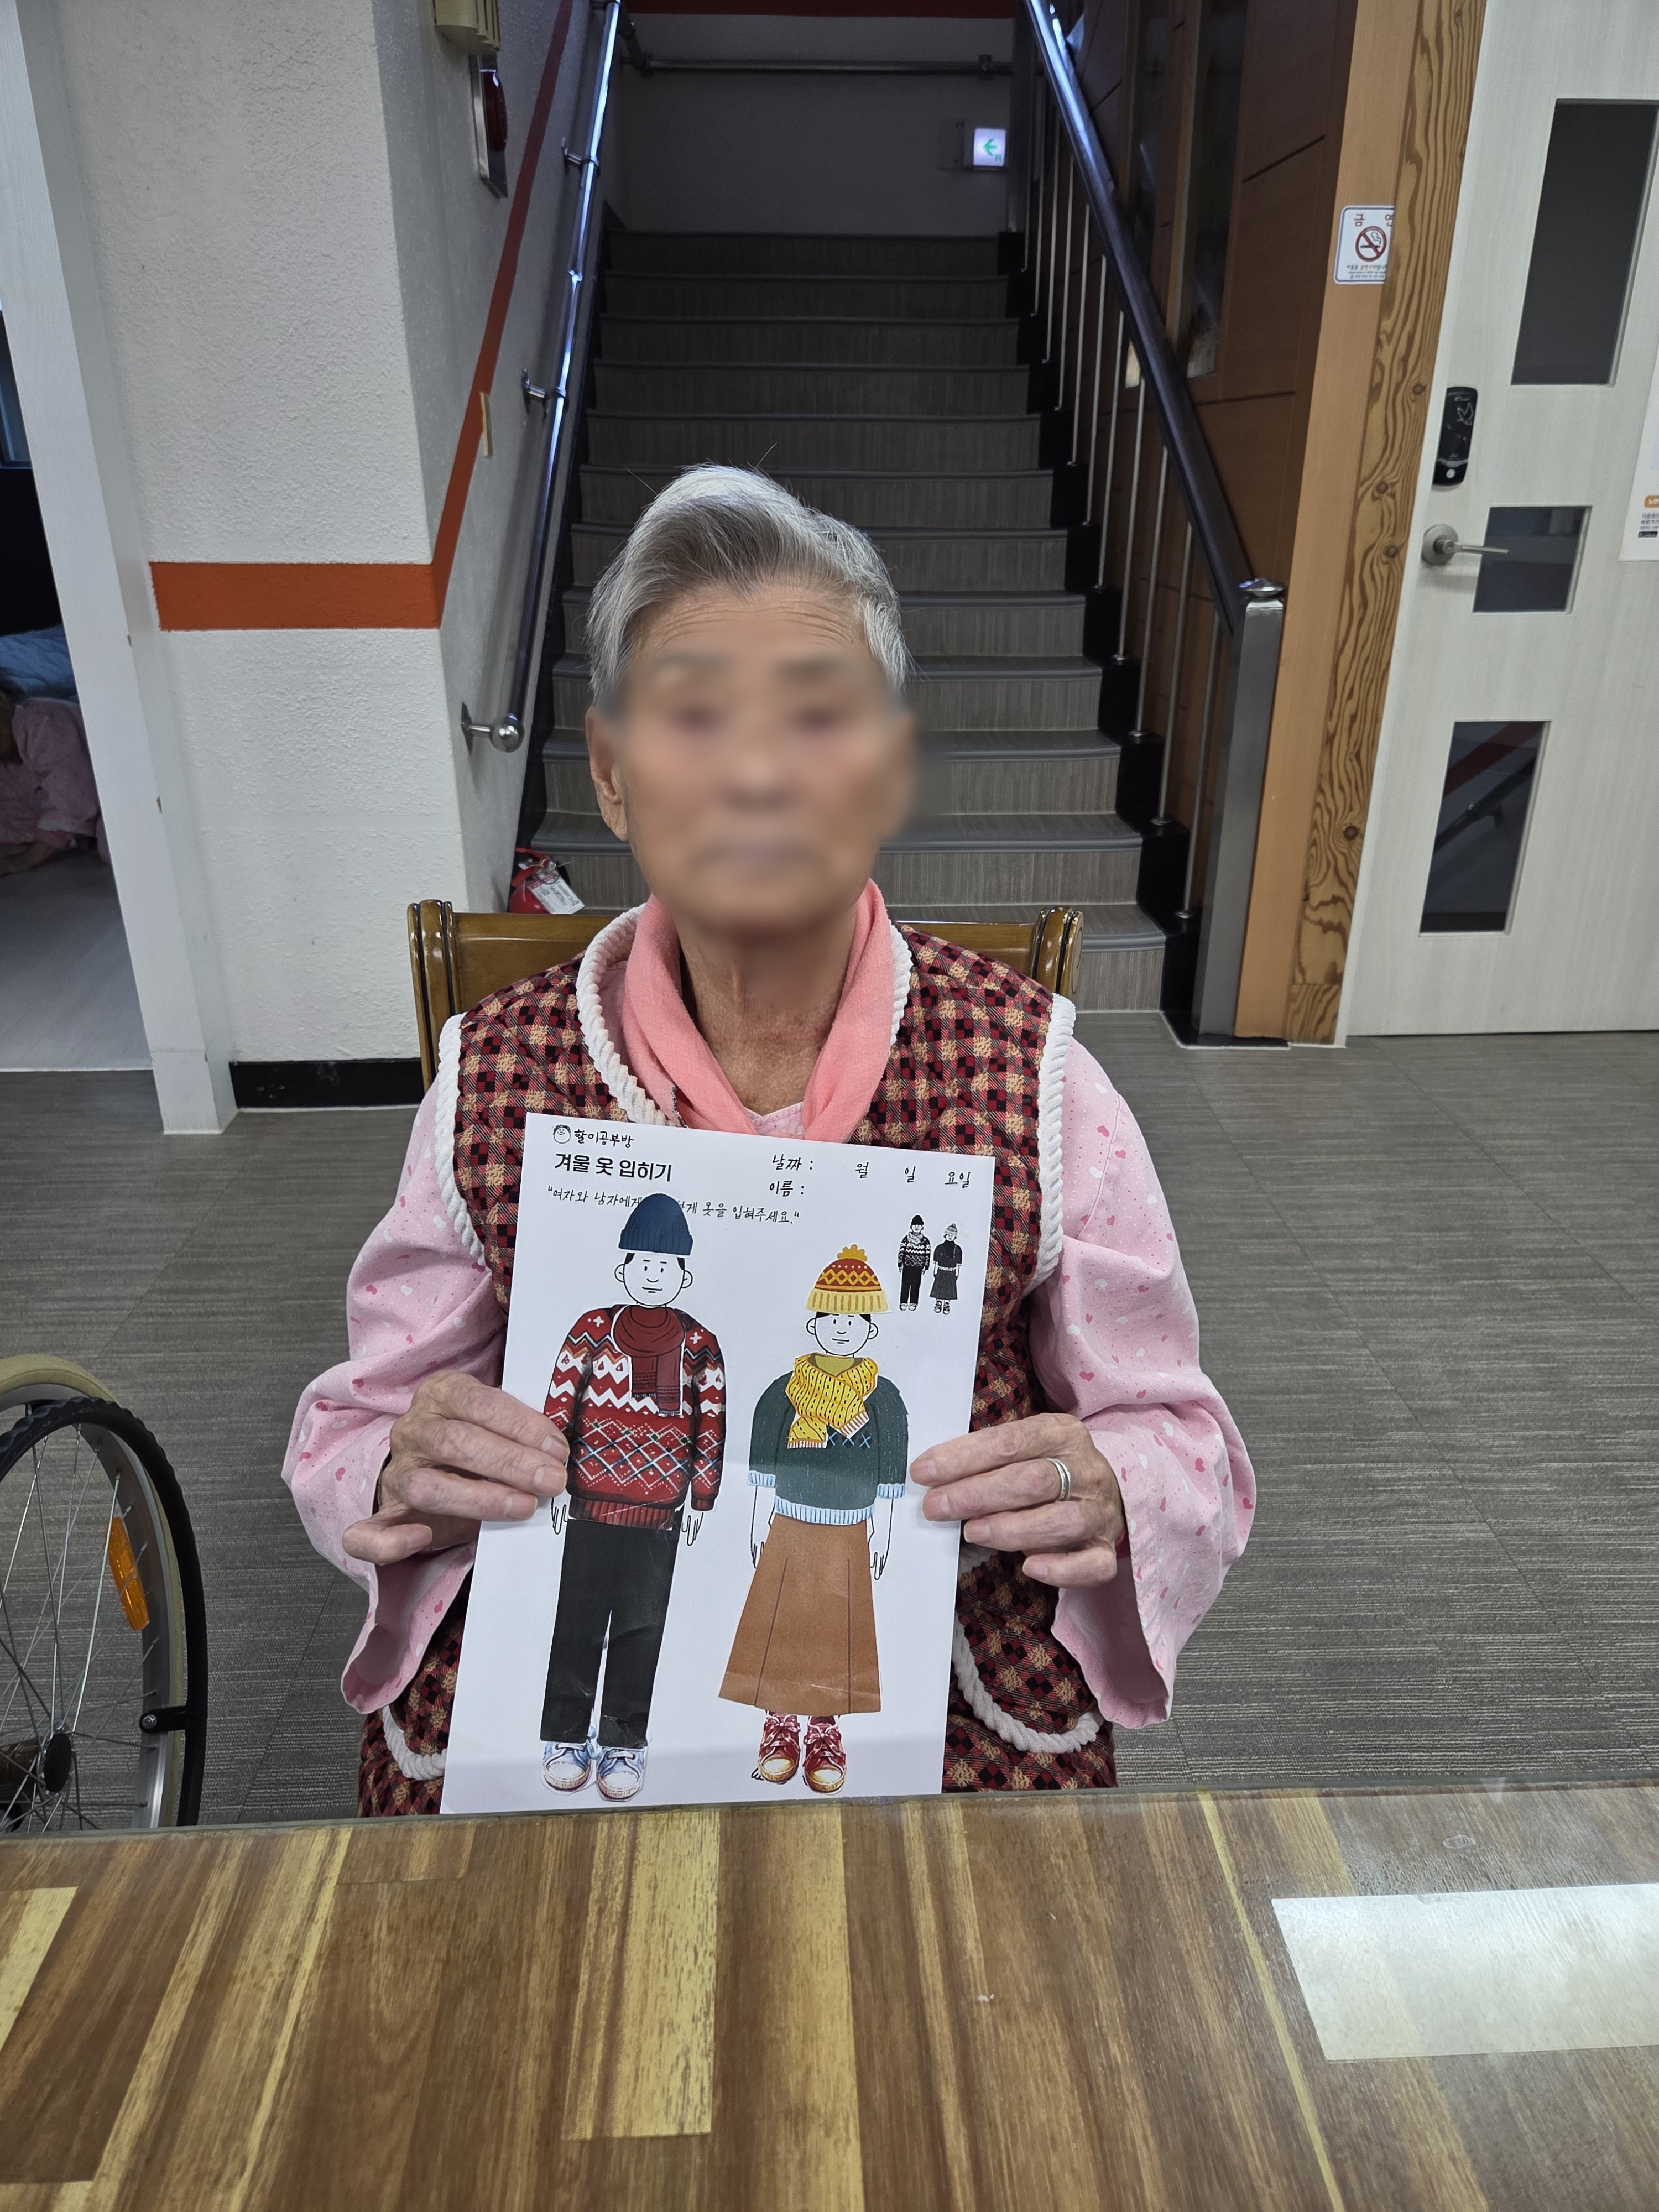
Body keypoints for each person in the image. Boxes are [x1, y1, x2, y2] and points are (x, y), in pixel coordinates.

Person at [282, 464, 1256, 1813]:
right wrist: (405, 1463)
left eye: (816, 717)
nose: (753, 773)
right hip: (577, 1644)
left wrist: (1108, 1482)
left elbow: (1182, 1436)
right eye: (693, 717)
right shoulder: (494, 1071)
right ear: (612, 776)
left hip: (936, 1681)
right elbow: (353, 1424)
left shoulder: (1038, 1075)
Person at [537, 1192, 725, 1802]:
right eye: (642, 1262)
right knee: (577, 1620)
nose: (652, 1273)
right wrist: (552, 1479)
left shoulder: (700, 1344)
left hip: (660, 1513)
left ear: (684, 1275)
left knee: (642, 1629)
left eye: (665, 1265)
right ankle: (564, 1734)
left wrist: (702, 1497)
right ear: (623, 1268)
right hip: (589, 1501)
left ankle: (623, 1741)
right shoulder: (592, 1330)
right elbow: (560, 1404)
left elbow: (712, 1421)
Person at [720, 1245, 906, 1793]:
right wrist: (757, 1521)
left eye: (854, 1319)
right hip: (789, 1521)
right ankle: (779, 1725)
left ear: (870, 1329)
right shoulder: (784, 1392)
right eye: (831, 1317)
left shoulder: (883, 1398)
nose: (842, 1328)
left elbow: (892, 1465)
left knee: (835, 1627)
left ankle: (824, 1729)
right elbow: (760, 1461)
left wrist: (885, 1529)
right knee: (783, 1621)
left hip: (851, 1527)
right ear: (814, 1323)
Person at [0, 681, 102, 876]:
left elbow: (73, 795)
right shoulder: (7, 763)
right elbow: (15, 817)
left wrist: (30, 858)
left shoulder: (43, 720)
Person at [896, 1216, 931, 1310]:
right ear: (911, 1227)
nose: (917, 1227)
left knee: (916, 1285)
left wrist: (926, 1266)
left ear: (922, 1227)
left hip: (919, 1267)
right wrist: (900, 1263)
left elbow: (928, 1254)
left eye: (919, 1225)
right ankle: (903, 1302)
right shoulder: (906, 1239)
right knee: (905, 1285)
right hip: (907, 1265)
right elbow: (902, 1251)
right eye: (915, 1225)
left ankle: (913, 1303)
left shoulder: (925, 1241)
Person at [930, 1224, 963, 1316]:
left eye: (952, 1235)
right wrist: (935, 1272)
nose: (950, 1237)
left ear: (955, 1237)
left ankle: (947, 1304)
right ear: (945, 1235)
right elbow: (936, 1262)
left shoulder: (957, 1249)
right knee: (939, 1288)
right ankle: (938, 1303)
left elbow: (958, 1264)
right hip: (941, 1271)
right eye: (948, 1235)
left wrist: (957, 1274)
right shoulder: (940, 1247)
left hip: (951, 1272)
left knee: (949, 1289)